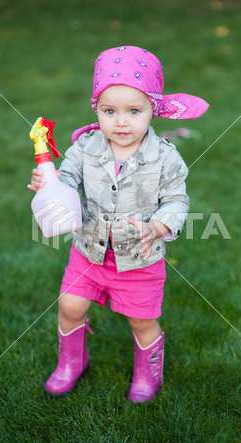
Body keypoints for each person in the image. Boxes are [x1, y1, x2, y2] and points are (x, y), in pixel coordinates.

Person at [28, 46, 209, 402]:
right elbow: (67, 178)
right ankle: (71, 362)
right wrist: (49, 183)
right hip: (88, 252)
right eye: (110, 111)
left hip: (140, 259)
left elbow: (177, 200)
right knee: (69, 306)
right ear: (96, 108)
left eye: (134, 111)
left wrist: (157, 225)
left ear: (152, 110)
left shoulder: (165, 157)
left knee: (141, 320)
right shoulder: (85, 147)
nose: (121, 122)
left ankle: (147, 373)